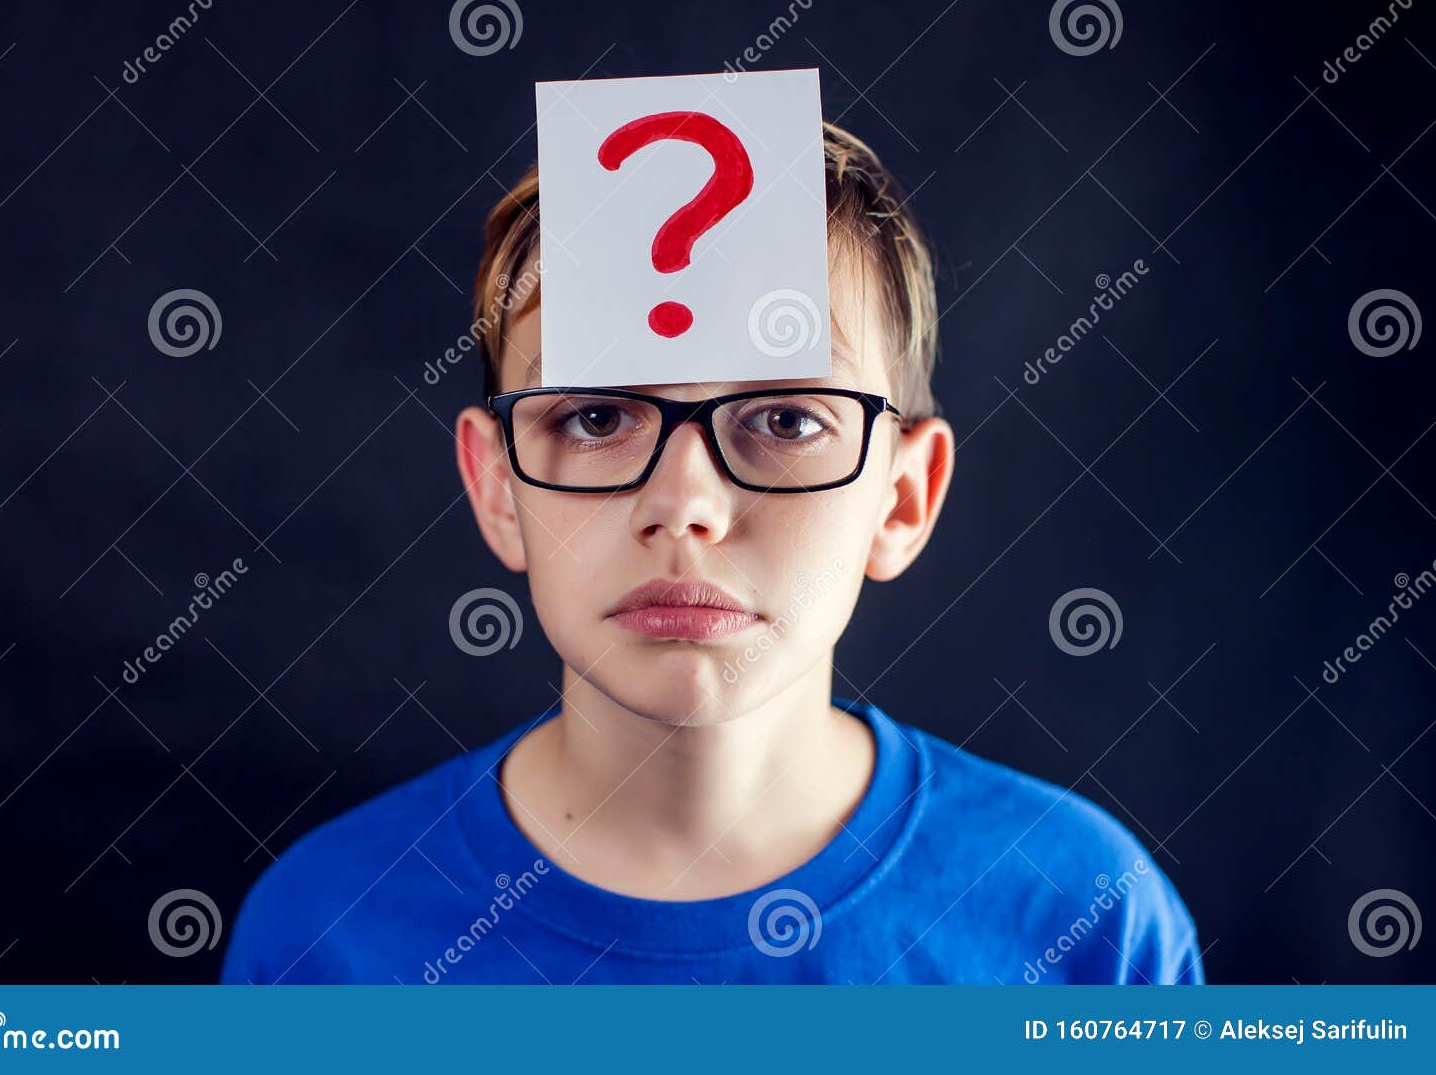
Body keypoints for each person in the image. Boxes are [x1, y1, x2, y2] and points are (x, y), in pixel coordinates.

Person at [220, 122, 1202, 985]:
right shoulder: (324, 936)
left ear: (900, 496)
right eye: (595, 414)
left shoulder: (1084, 920)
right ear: (497, 486)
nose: (683, 504)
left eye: (784, 415)